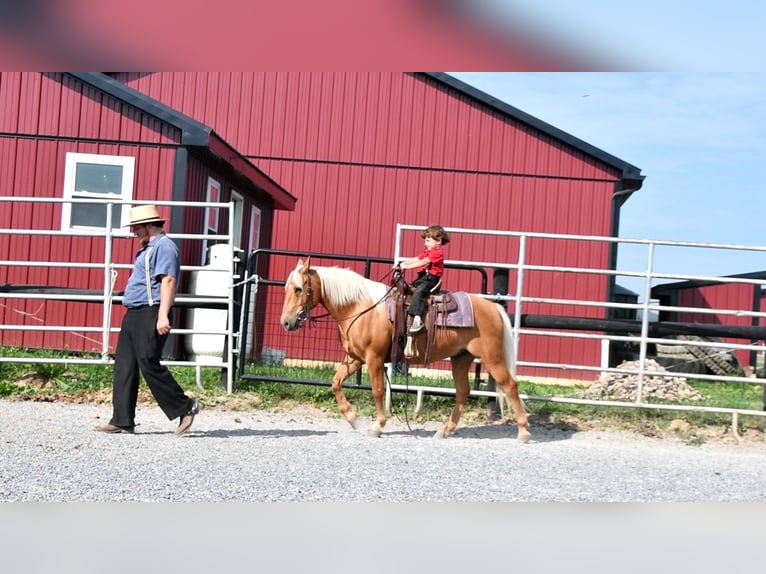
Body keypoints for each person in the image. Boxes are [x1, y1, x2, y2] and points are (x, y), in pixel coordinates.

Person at [95, 205, 200, 437]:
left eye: (136, 226)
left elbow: (169, 281)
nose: (133, 231)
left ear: (149, 225)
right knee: (125, 365)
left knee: (148, 362)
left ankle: (186, 407)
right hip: (135, 312)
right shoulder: (148, 248)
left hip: (150, 312)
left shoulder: (164, 247)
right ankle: (122, 418)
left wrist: (162, 315)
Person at [396, 225, 450, 333]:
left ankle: (417, 319)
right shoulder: (428, 252)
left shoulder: (437, 253)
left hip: (431, 280)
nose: (425, 243)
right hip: (423, 278)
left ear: (438, 241)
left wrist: (407, 267)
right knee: (408, 289)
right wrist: (402, 263)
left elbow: (424, 262)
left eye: (428, 241)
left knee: (420, 293)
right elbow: (416, 259)